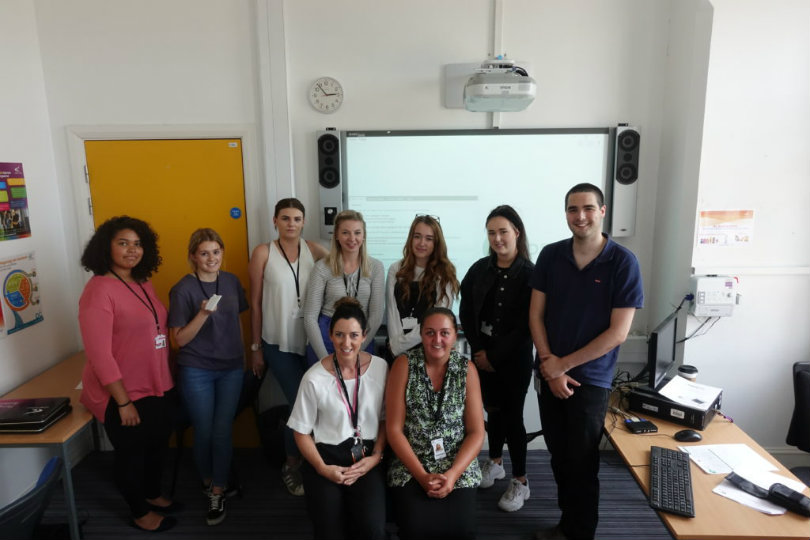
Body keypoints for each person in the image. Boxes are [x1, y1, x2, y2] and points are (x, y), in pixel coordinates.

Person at [528, 183, 644, 540]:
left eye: (588, 208)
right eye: (573, 209)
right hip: (549, 374)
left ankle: (580, 533)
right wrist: (549, 365)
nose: (581, 216)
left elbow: (618, 333)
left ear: (603, 211)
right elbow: (536, 316)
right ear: (565, 214)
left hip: (590, 381)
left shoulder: (623, 262)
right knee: (559, 459)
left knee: (581, 464)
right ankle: (567, 525)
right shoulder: (550, 255)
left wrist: (562, 365)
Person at [78, 216, 178, 533]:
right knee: (131, 455)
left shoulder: (142, 282)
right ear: (105, 248)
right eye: (123, 243)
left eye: (137, 244)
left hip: (157, 384)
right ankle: (139, 512)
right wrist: (122, 402)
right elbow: (99, 354)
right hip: (124, 392)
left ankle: (152, 494)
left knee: (157, 446)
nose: (132, 250)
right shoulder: (98, 291)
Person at [287, 297, 388, 540]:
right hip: (326, 458)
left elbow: (386, 419)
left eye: (353, 335)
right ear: (330, 336)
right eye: (339, 335)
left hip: (366, 458)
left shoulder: (381, 367)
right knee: (329, 532)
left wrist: (376, 457)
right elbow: (300, 432)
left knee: (372, 530)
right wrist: (323, 469)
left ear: (364, 336)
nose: (346, 343)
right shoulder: (313, 377)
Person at [248, 198, 328, 496]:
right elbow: (255, 303)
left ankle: (307, 459)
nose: (291, 223)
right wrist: (255, 346)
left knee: (312, 404)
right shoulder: (263, 253)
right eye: (285, 218)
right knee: (300, 403)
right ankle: (291, 464)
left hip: (309, 341)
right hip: (276, 343)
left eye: (296, 218)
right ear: (275, 221)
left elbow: (345, 261)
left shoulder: (315, 250)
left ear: (304, 222)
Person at [168, 228, 248, 525]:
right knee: (203, 430)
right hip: (197, 369)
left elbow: (237, 322)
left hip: (230, 368)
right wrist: (202, 314)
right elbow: (180, 341)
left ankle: (218, 489)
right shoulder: (183, 289)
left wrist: (243, 356)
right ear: (193, 257)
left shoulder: (231, 282)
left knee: (222, 430)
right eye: (204, 253)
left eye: (216, 252)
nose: (211, 258)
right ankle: (207, 480)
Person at [459, 205, 535, 512]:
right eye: (491, 233)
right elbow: (466, 311)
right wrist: (479, 352)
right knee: (492, 413)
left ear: (516, 232)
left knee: (512, 418)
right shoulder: (479, 269)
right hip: (481, 357)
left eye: (503, 231)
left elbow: (526, 325)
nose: (497, 239)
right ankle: (495, 463)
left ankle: (521, 481)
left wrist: (494, 355)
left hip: (514, 361)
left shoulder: (531, 274)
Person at [386, 307, 485, 540]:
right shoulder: (403, 365)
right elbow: (393, 429)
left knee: (462, 531)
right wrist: (421, 475)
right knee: (416, 530)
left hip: (457, 462)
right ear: (421, 334)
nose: (437, 340)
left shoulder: (466, 369)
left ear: (455, 334)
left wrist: (452, 475)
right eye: (430, 333)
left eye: (444, 333)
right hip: (412, 464)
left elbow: (476, 432)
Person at [303, 210, 384, 365]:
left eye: (357, 233)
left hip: (361, 337)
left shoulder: (376, 267)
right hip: (327, 337)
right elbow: (310, 318)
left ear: (363, 236)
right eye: (345, 232)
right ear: (336, 236)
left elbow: (376, 316)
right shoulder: (321, 267)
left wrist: (357, 350)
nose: (352, 238)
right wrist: (324, 358)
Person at [386, 214, 458, 361]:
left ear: (436, 243)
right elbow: (392, 312)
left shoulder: (444, 274)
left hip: (430, 350)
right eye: (417, 236)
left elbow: (436, 321)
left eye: (429, 238)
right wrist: (396, 347)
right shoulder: (396, 269)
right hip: (396, 352)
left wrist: (400, 345)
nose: (421, 243)